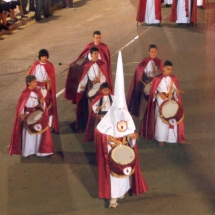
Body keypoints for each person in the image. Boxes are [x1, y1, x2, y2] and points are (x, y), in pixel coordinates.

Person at [94, 51, 148, 208]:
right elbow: (99, 132)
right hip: (112, 152)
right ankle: (113, 197)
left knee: (124, 175)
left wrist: (133, 136)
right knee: (114, 176)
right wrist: (107, 139)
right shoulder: (108, 118)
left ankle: (122, 192)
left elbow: (131, 133)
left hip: (125, 149)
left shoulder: (127, 117)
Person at [139, 60, 190, 146]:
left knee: (173, 117)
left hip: (171, 99)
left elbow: (175, 89)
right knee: (161, 119)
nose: (170, 71)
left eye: (171, 69)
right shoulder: (157, 79)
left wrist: (176, 92)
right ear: (163, 68)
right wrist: (157, 94)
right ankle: (160, 138)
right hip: (161, 100)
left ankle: (173, 138)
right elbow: (152, 92)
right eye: (168, 69)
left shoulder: (174, 78)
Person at [9, 75, 55, 157]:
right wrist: (21, 113)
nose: (36, 83)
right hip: (28, 115)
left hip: (37, 112)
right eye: (34, 82)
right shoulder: (24, 93)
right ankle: (29, 152)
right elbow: (21, 106)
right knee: (29, 135)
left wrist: (41, 102)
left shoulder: (38, 91)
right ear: (28, 83)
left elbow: (42, 105)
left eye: (35, 81)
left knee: (41, 134)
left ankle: (42, 151)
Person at [64, 30, 112, 103]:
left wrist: (103, 73)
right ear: (93, 38)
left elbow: (107, 61)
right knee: (90, 93)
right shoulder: (89, 46)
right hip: (91, 70)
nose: (98, 39)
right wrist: (75, 64)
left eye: (99, 37)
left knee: (103, 92)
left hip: (101, 70)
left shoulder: (104, 47)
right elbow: (83, 57)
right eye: (96, 37)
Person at [75, 46, 112, 132]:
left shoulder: (101, 64)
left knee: (104, 105)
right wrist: (80, 88)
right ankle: (96, 126)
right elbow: (84, 77)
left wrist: (101, 79)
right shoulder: (87, 65)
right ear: (91, 55)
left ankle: (104, 123)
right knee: (96, 107)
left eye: (97, 53)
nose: (96, 55)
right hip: (93, 87)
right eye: (94, 53)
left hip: (102, 87)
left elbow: (106, 77)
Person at [127, 44, 163, 118]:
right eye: (152, 52)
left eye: (155, 51)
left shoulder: (159, 62)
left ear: (157, 52)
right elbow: (139, 70)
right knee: (146, 99)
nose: (153, 53)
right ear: (149, 52)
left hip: (156, 83)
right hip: (147, 83)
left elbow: (162, 73)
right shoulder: (145, 61)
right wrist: (140, 77)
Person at [28, 49, 59, 133]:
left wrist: (49, 84)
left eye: (45, 56)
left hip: (46, 90)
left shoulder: (50, 65)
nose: (44, 58)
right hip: (37, 90)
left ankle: (49, 125)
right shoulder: (35, 65)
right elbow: (31, 78)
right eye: (42, 56)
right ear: (39, 57)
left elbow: (52, 79)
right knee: (38, 108)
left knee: (49, 108)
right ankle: (38, 124)